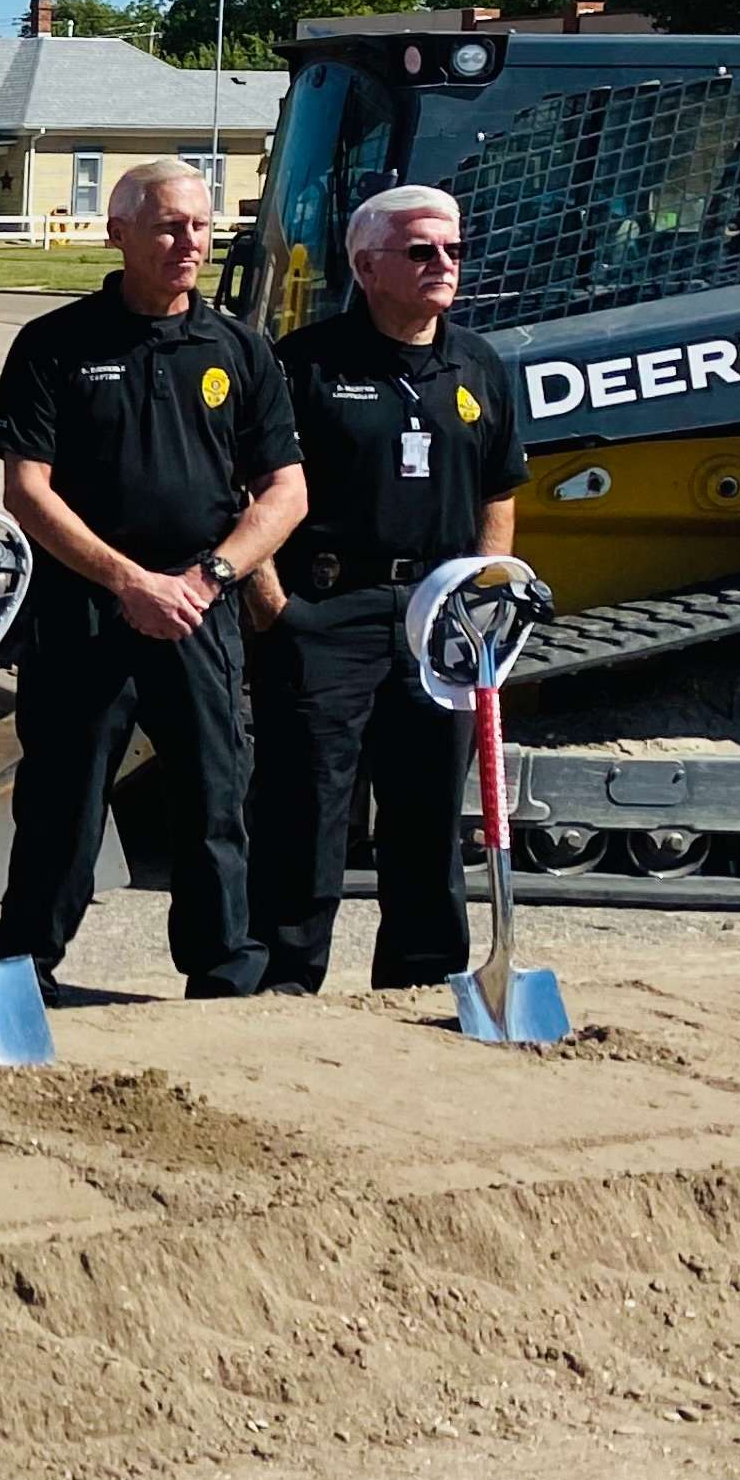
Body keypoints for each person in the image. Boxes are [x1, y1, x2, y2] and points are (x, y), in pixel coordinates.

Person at [0, 157, 304, 994]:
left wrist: (211, 575)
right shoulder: (55, 344)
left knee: (213, 799)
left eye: (198, 225)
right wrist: (128, 581)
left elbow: (286, 491)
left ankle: (220, 972)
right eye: (166, 225)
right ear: (118, 232)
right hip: (85, 613)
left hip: (201, 610)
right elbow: (26, 489)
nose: (187, 241)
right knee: (63, 803)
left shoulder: (238, 346)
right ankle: (22, 970)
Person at [245, 183, 522, 993]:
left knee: (430, 810)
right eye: (421, 251)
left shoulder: (476, 363)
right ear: (368, 266)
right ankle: (286, 978)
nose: (444, 265)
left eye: (454, 250)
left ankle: (425, 974)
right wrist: (272, 605)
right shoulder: (304, 364)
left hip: (441, 621)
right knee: (308, 804)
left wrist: (485, 596)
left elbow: (501, 490)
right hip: (328, 609)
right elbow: (249, 486)